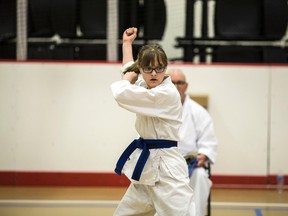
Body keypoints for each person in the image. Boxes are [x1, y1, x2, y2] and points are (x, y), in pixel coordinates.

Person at [111, 27, 196, 216]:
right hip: (147, 168)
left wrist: (126, 78)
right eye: (148, 68)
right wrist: (127, 44)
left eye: (159, 68)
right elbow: (128, 68)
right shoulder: (147, 85)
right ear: (141, 69)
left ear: (165, 68)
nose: (154, 73)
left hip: (168, 170)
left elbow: (122, 91)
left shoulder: (165, 93)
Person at [169, 68, 218, 216]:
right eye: (172, 83)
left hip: (191, 163)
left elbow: (208, 140)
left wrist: (203, 155)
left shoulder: (198, 112)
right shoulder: (157, 109)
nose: (176, 87)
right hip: (164, 162)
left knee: (201, 176)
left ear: (186, 85)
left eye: (180, 83)